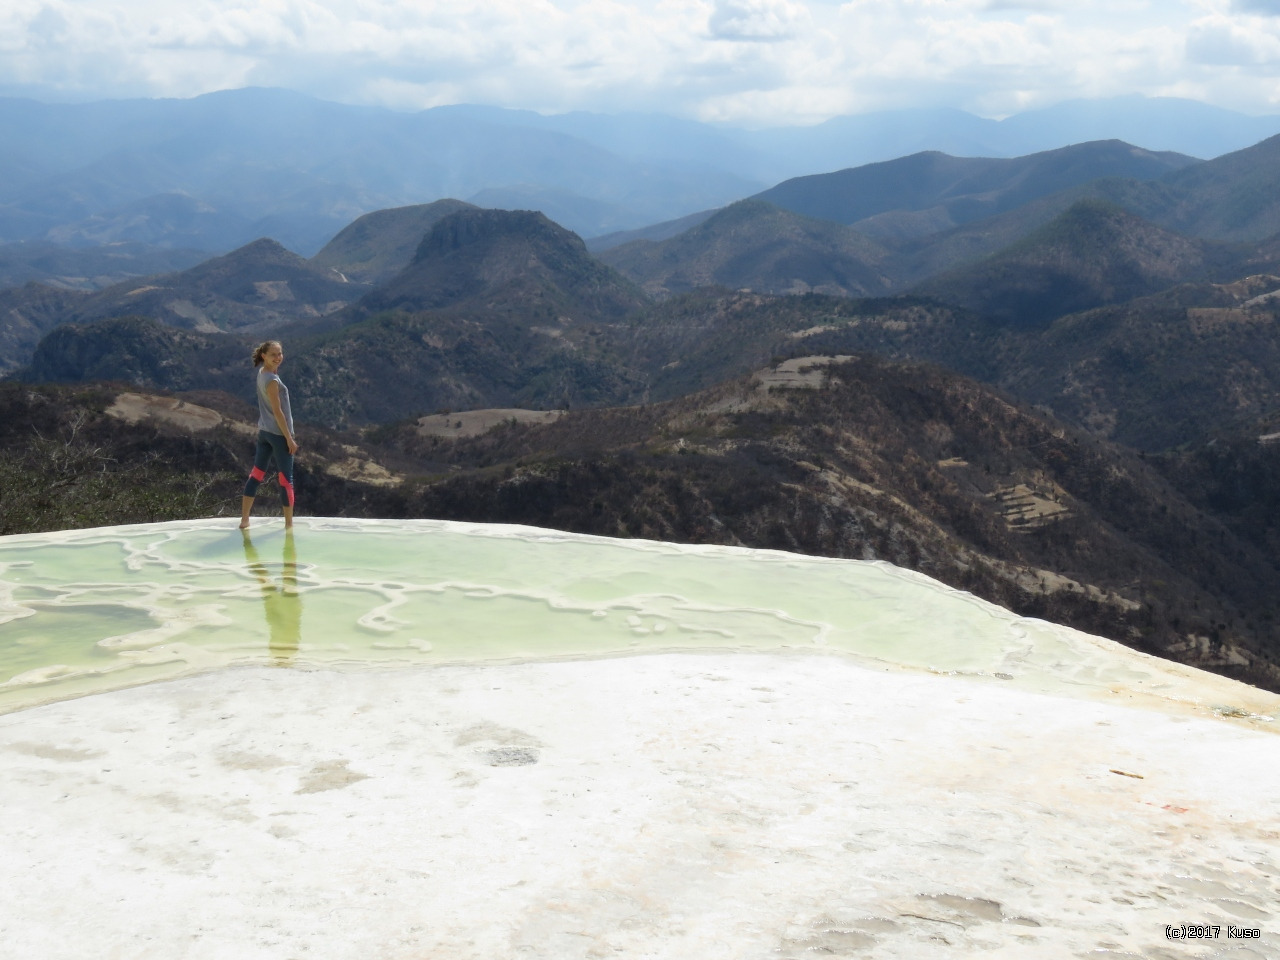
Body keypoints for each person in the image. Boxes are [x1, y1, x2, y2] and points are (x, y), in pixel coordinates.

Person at [240, 340, 299, 528]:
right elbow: (278, 412)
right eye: (273, 354)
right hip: (278, 434)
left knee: (256, 474)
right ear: (263, 355)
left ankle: (244, 520)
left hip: (264, 431)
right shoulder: (272, 381)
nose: (278, 357)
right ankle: (289, 525)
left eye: (280, 353)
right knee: (285, 479)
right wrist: (289, 438)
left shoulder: (262, 373)